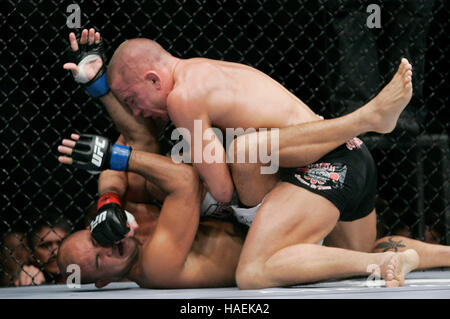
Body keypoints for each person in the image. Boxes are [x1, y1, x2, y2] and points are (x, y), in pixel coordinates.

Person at [64, 28, 413, 205]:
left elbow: (223, 190)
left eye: (132, 99)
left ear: (154, 79)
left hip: (313, 157)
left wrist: (196, 178)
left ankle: (368, 116)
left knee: (244, 154)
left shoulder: (183, 98)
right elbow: (140, 135)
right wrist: (99, 86)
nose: (136, 110)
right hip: (344, 157)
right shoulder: (200, 70)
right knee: (364, 253)